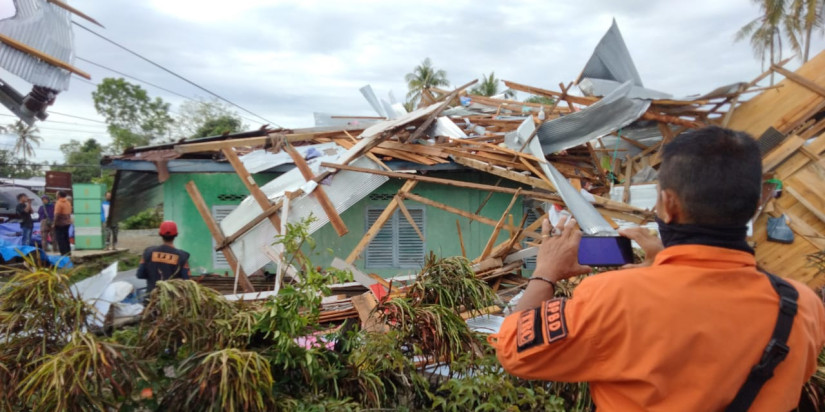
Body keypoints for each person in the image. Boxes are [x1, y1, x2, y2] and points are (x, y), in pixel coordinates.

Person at [490, 126, 825, 411]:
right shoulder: (802, 306)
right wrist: (663, 266)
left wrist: (545, 273)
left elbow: (515, 350)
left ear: (669, 204)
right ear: (755, 206)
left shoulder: (614, 298)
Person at [136, 221, 190, 295]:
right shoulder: (183, 256)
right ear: (176, 234)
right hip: (173, 301)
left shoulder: (148, 252)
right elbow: (186, 280)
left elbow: (140, 274)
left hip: (151, 299)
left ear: (160, 234)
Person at [53, 191, 73, 256]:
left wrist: (54, 223)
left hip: (60, 223)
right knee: (66, 238)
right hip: (67, 222)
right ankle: (68, 252)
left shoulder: (59, 203)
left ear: (59, 195)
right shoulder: (68, 203)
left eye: (56, 194)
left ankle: (63, 253)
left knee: (60, 239)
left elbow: (57, 214)